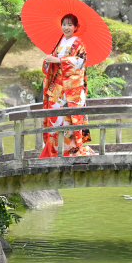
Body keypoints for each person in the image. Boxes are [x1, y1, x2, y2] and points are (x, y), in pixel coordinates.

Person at [39, 13, 95, 157]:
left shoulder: (79, 43)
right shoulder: (59, 43)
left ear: (76, 27)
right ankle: (54, 150)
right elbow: (50, 67)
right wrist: (48, 62)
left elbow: (80, 62)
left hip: (72, 90)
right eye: (64, 24)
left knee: (69, 120)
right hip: (56, 88)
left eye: (70, 24)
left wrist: (59, 61)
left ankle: (71, 151)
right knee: (55, 118)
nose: (66, 27)